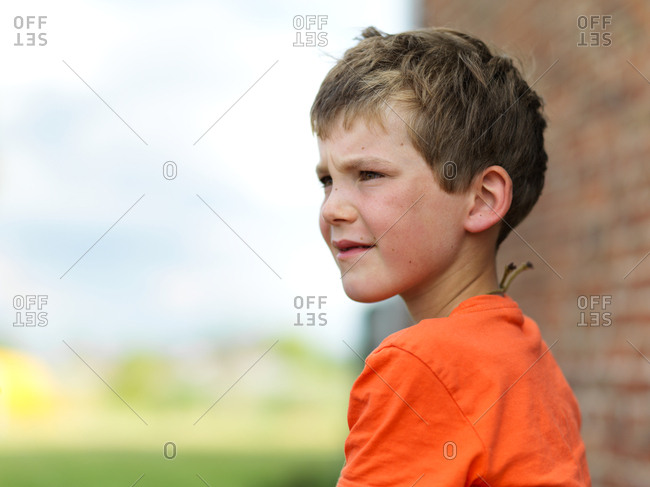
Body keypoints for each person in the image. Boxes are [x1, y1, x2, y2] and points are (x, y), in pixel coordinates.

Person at [311, 26, 591, 486]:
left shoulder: (421, 363)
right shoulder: (528, 356)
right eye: (327, 180)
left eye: (369, 174)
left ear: (481, 199)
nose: (332, 209)